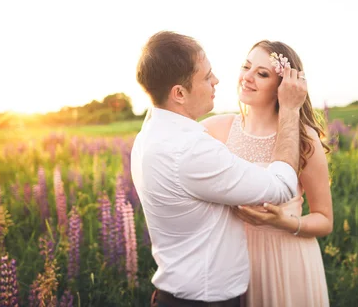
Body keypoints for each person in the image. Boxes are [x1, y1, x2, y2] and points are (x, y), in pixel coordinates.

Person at [130, 31, 309, 307]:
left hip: (177, 294)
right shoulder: (191, 149)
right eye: (206, 76)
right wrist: (290, 110)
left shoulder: (151, 130)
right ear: (178, 93)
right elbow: (282, 187)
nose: (216, 80)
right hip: (204, 301)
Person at [202, 40, 333, 307]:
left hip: (287, 260)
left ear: (283, 86)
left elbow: (324, 220)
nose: (247, 77)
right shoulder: (215, 129)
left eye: (262, 73)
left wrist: (283, 222)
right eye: (246, 66)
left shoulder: (304, 138)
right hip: (230, 263)